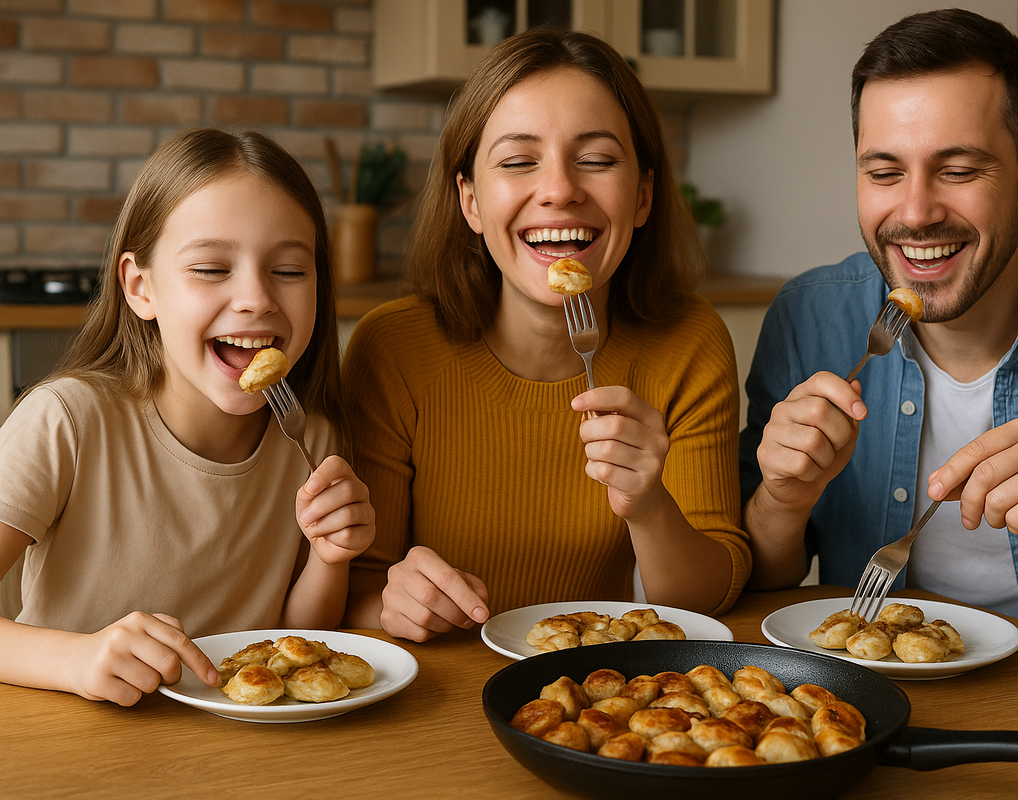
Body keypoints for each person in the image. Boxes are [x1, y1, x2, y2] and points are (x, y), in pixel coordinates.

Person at [740, 9, 1018, 658]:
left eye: (957, 171)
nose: (917, 212)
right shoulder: (810, 315)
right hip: (868, 707)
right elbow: (755, 584)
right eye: (884, 172)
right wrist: (782, 500)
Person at [342, 28, 751, 641]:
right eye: (517, 161)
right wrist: (393, 602)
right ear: (471, 201)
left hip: (597, 696)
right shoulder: (393, 349)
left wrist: (649, 507)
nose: (560, 189)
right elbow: (356, 591)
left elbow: (709, 595)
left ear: (642, 194)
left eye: (596, 159)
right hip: (437, 697)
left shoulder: (688, 344)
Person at [0, 128, 377, 705]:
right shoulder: (66, 424)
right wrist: (76, 660)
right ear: (139, 286)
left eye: (290, 270)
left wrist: (330, 558)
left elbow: (296, 637)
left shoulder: (311, 439)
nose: (256, 297)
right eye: (210, 268)